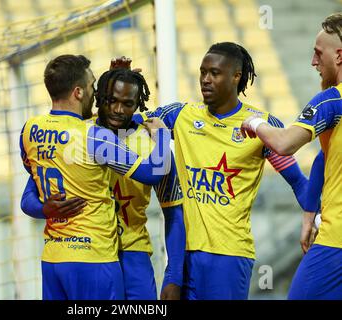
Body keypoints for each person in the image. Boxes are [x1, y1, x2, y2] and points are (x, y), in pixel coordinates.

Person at [132, 42, 310, 299]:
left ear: (236, 76)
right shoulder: (181, 115)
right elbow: (127, 123)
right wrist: (123, 80)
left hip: (229, 256)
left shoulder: (261, 126)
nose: (205, 79)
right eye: (202, 72)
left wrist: (319, 220)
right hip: (183, 255)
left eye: (214, 73)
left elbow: (298, 182)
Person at [22, 66, 186, 300]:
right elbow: (29, 194)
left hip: (133, 255)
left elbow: (174, 213)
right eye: (110, 100)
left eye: (127, 103)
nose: (118, 110)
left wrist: (173, 276)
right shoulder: (78, 134)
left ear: (137, 104)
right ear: (98, 97)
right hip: (86, 253)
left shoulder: (153, 147)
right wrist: (42, 209)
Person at [241, 13, 342, 299]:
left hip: (336, 242)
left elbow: (284, 144)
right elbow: (326, 157)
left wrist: (255, 123)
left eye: (318, 54)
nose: (313, 62)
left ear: (339, 56)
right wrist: (309, 213)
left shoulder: (332, 100)